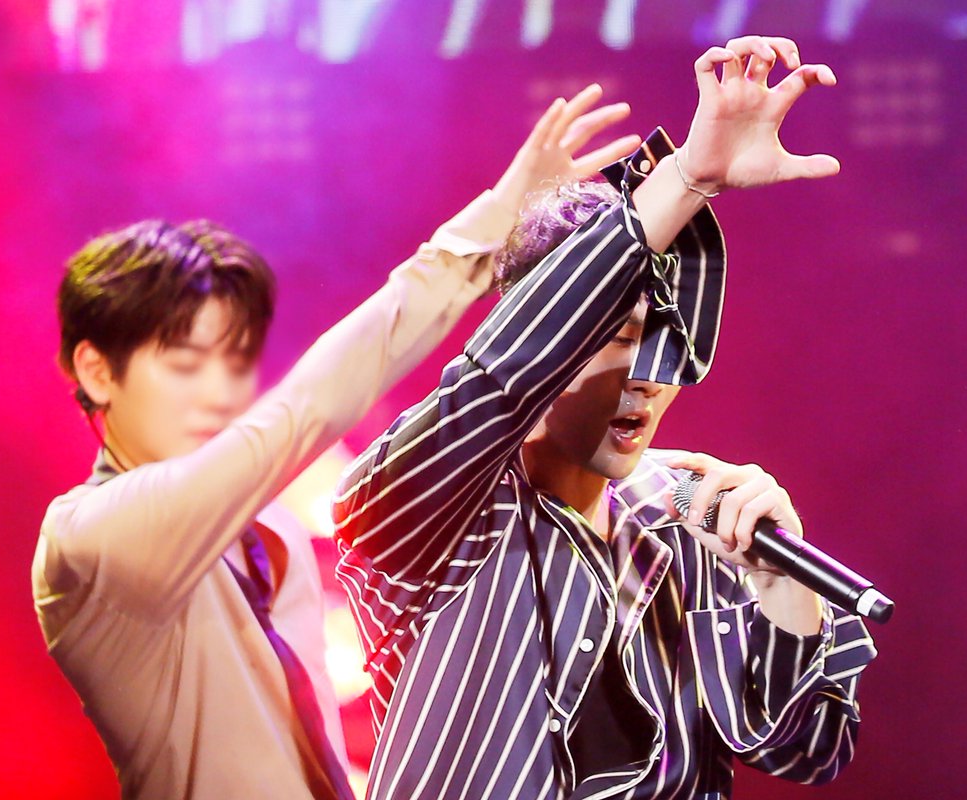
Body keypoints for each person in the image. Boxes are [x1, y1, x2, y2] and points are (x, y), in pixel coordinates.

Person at [31, 85, 639, 800]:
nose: (220, 392)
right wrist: (487, 229)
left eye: (233, 361)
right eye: (184, 363)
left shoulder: (267, 527)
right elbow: (307, 408)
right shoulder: (90, 537)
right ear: (97, 372)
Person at [333, 36, 878, 799]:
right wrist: (686, 180)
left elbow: (810, 753)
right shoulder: (431, 509)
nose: (648, 376)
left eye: (662, 341)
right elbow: (504, 373)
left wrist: (779, 585)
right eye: (616, 338)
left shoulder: (687, 515)